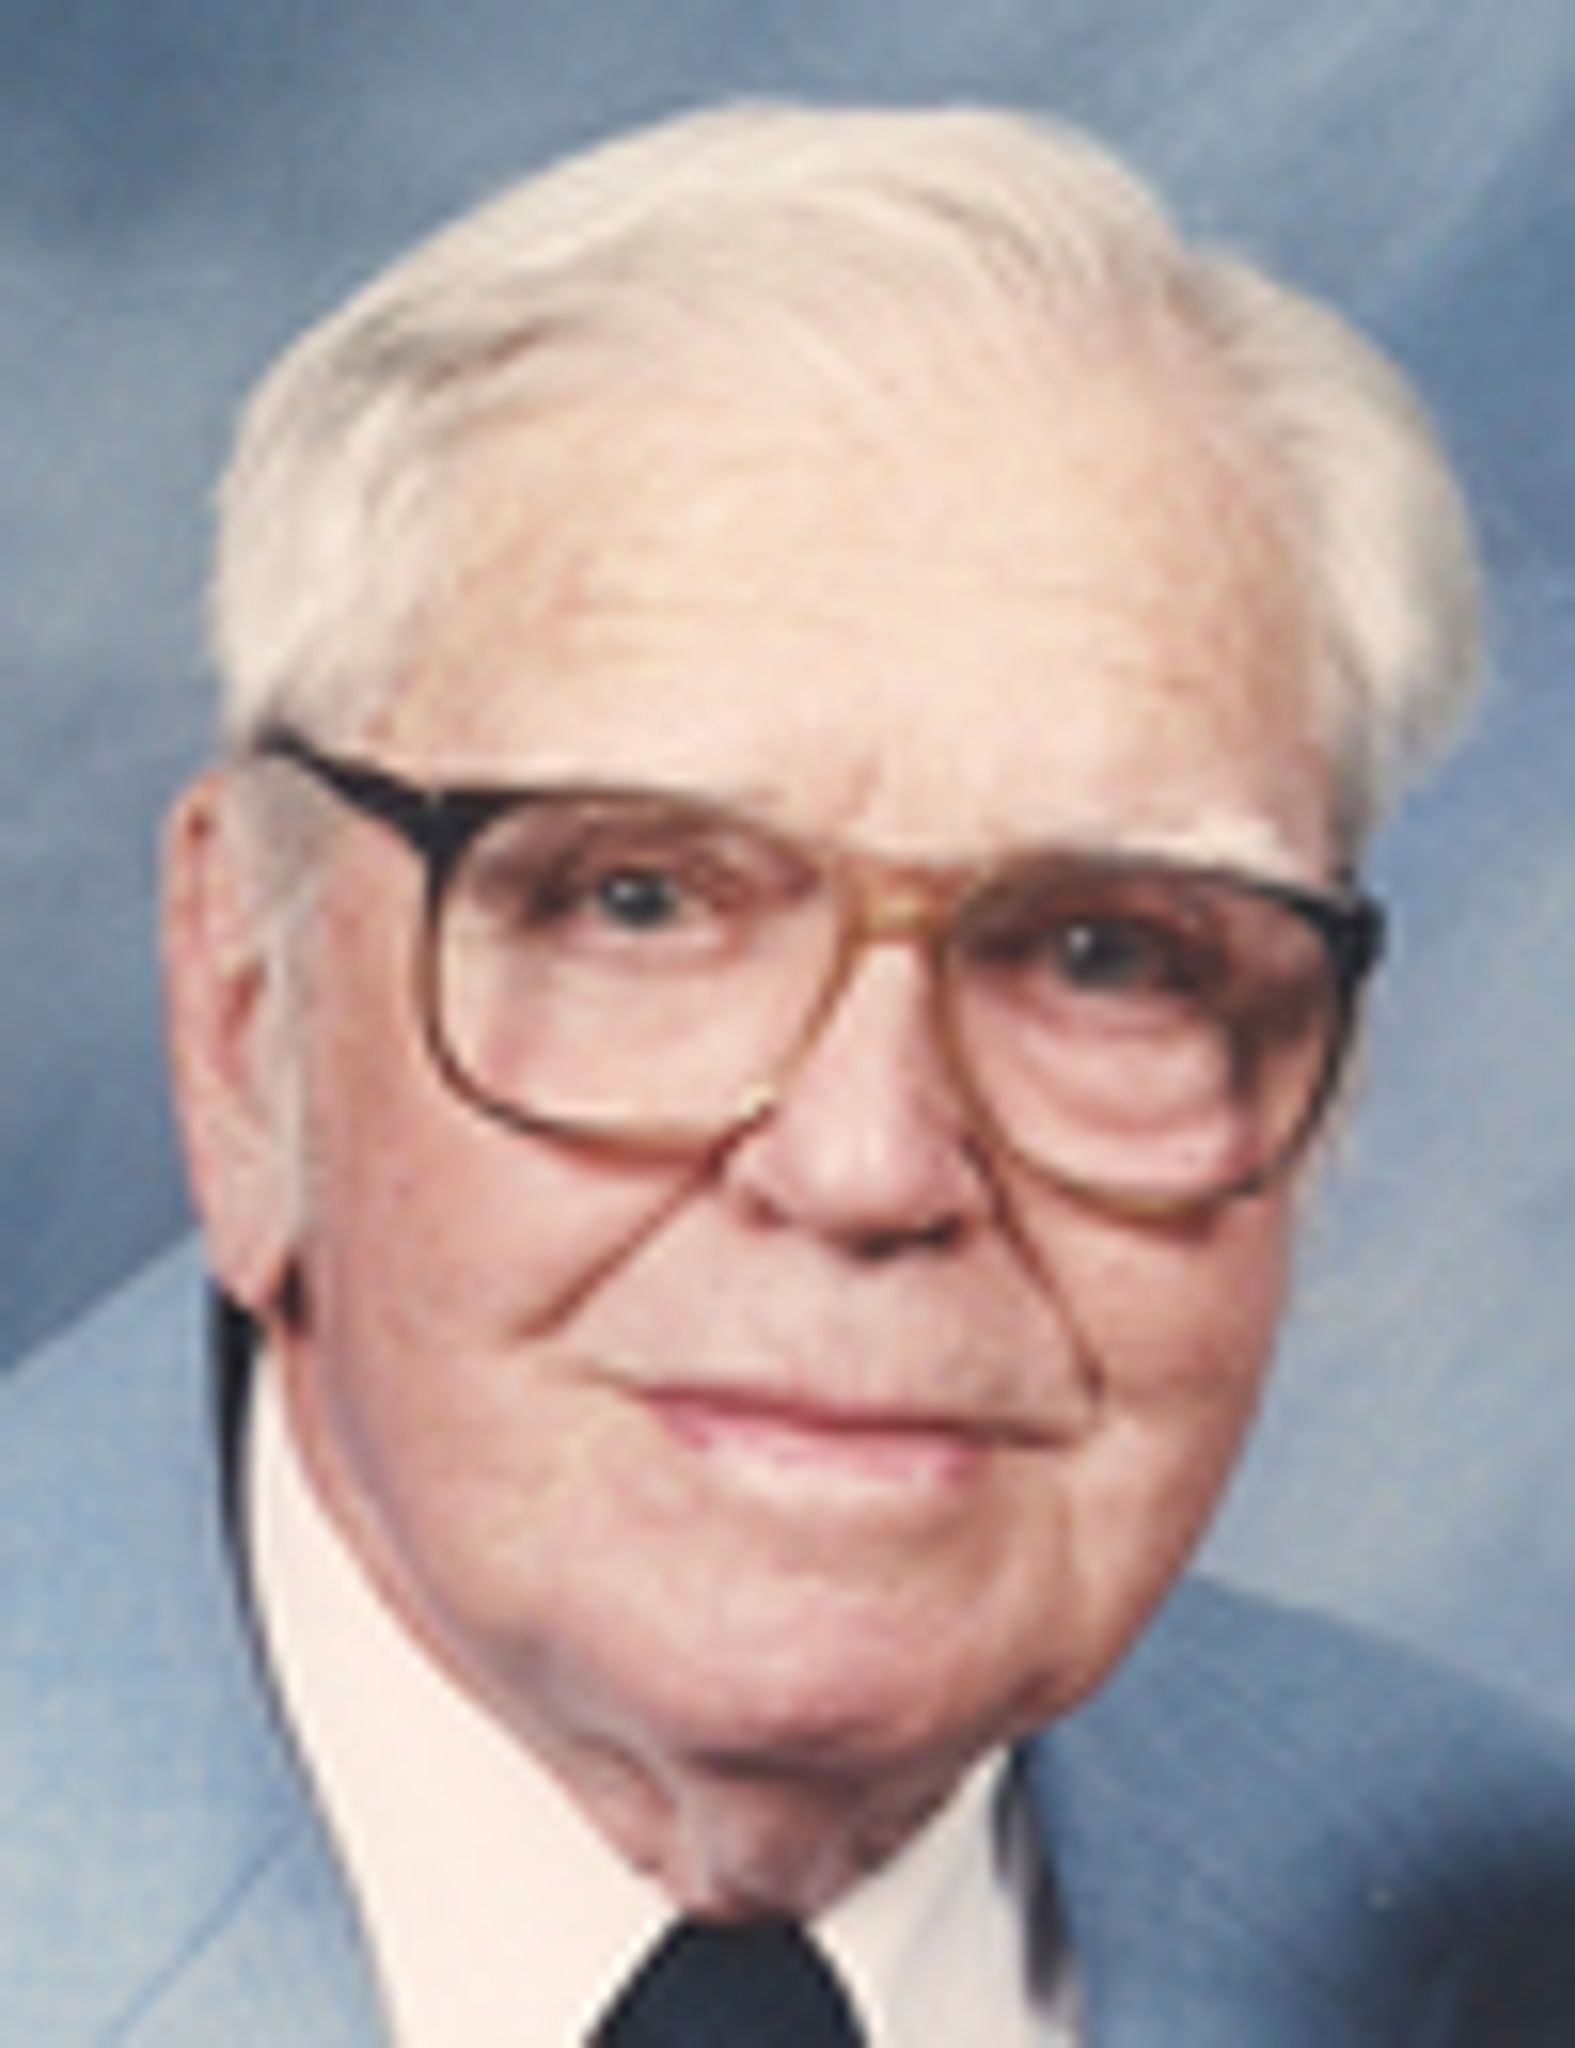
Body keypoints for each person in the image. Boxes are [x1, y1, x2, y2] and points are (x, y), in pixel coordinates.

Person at [4, 102, 1574, 2045]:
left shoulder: (1498, 1909)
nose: (864, 1162)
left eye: (1103, 952)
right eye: (637, 901)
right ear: (247, 1020)